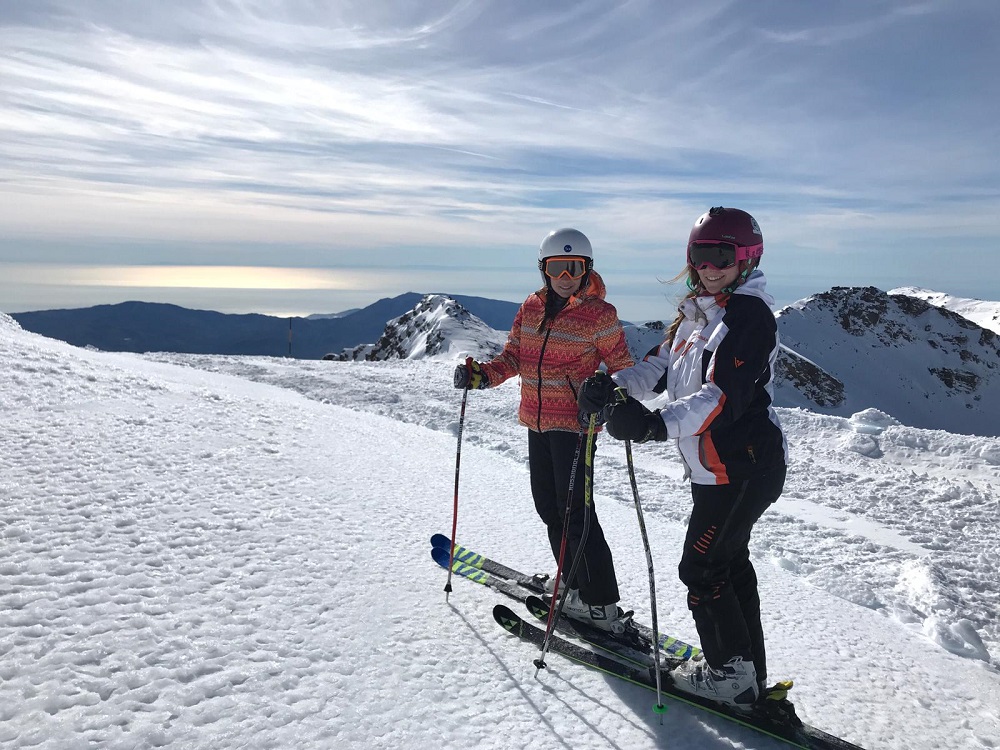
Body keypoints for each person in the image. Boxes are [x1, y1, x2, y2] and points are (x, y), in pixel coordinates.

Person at [578, 207, 788, 707]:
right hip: (714, 468)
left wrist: (654, 425)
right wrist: (612, 387)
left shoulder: (747, 316)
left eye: (722, 255)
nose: (710, 266)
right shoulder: (699, 312)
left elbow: (719, 397)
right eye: (700, 255)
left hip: (743, 466)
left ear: (746, 258)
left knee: (701, 569)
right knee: (727, 564)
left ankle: (729, 674)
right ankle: (743, 671)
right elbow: (657, 367)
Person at [453, 228, 635, 632]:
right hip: (537, 423)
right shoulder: (531, 308)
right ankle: (573, 586)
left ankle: (601, 603)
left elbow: (624, 369)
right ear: (544, 269)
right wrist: (482, 376)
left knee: (576, 514)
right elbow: (513, 358)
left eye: (575, 267)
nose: (566, 275)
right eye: (557, 267)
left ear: (587, 268)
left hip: (576, 428)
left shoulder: (600, 315)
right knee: (549, 509)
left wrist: (607, 395)